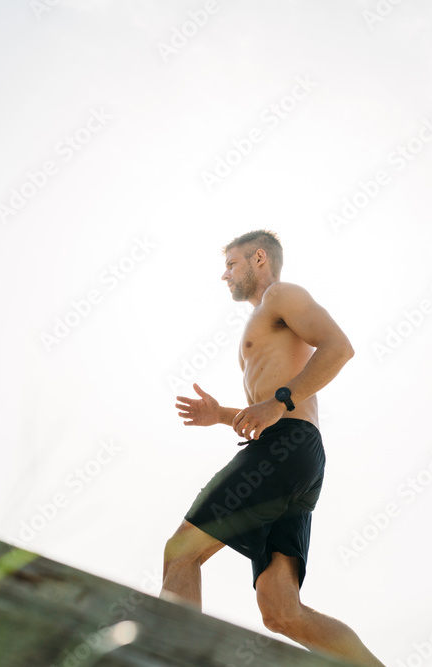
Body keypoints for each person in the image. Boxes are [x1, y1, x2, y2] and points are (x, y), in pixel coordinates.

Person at [165, 230, 384, 666]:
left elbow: (340, 348)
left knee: (180, 553)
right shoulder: (261, 323)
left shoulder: (282, 295)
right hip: (297, 456)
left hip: (287, 446)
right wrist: (221, 414)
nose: (224, 274)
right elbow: (262, 410)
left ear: (258, 258)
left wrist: (279, 402)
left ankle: (172, 659)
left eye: (231, 264)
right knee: (282, 612)